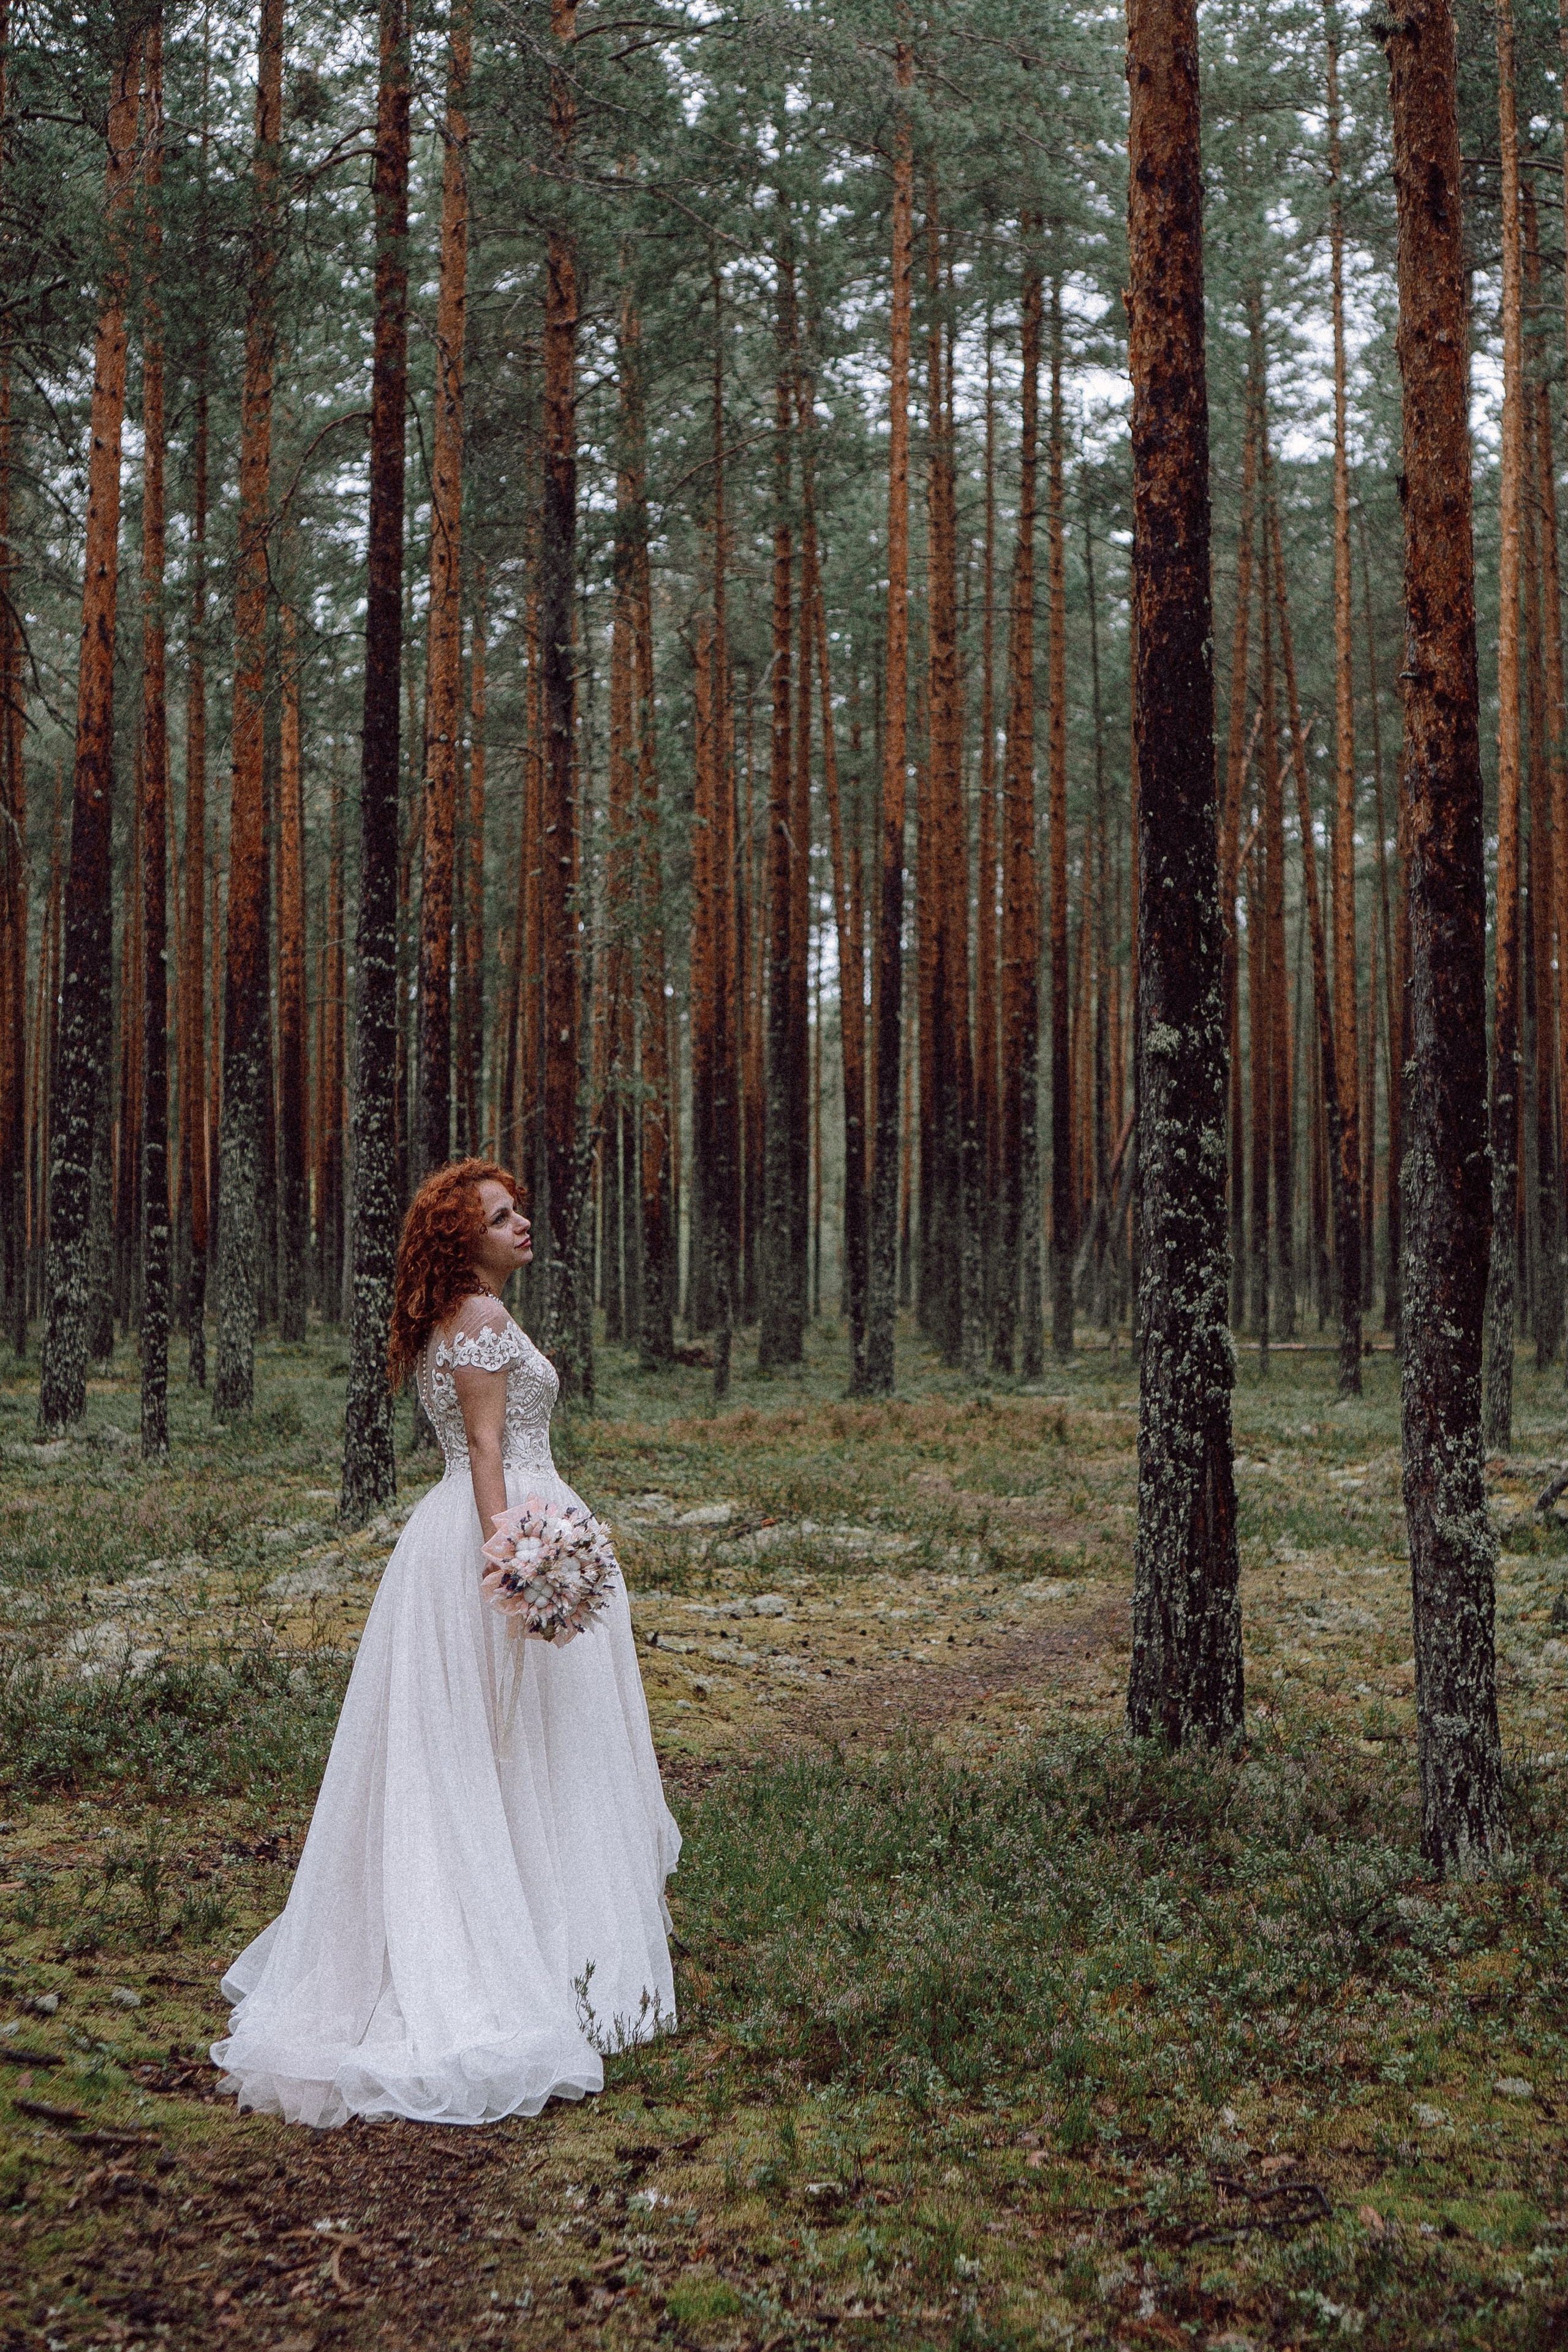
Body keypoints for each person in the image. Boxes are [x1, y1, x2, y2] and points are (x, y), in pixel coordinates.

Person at [211, 1158, 680, 2128]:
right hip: (497, 1530)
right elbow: (484, 1448)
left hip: (490, 1526)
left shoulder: (459, 1319)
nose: (523, 1224)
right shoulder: (481, 1319)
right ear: (464, 1240)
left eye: (519, 1210)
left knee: (524, 1750)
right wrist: (516, 1557)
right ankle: (528, 1952)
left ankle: (549, 1936)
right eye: (503, 1217)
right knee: (513, 1745)